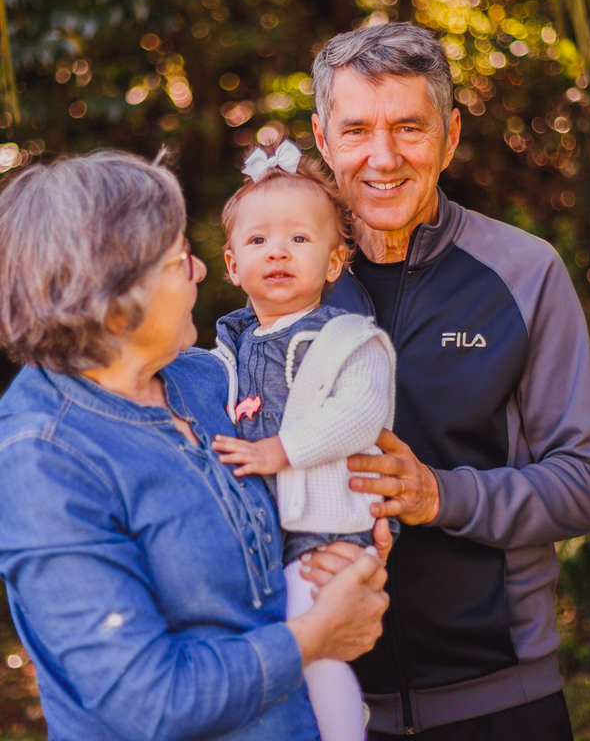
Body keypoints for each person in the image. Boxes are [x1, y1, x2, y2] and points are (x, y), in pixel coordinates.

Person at [0, 149, 390, 741]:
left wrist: (346, 550)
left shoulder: (206, 380)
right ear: (113, 299)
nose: (198, 271)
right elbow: (150, 701)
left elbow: (295, 506)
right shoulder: (42, 457)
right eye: (178, 259)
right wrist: (317, 634)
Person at [299, 23, 590, 739]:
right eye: (356, 131)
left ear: (449, 137)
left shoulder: (524, 273)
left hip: (501, 702)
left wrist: (438, 495)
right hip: (330, 706)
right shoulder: (289, 283)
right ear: (323, 140)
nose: (383, 157)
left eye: (409, 128)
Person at [207, 140, 397, 741]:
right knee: (270, 647)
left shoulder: (347, 339)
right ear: (232, 264)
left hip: (326, 526)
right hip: (262, 531)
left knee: (313, 640)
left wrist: (280, 451)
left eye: (298, 238)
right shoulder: (226, 350)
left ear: (335, 261)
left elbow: (360, 412)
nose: (278, 252)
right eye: (258, 240)